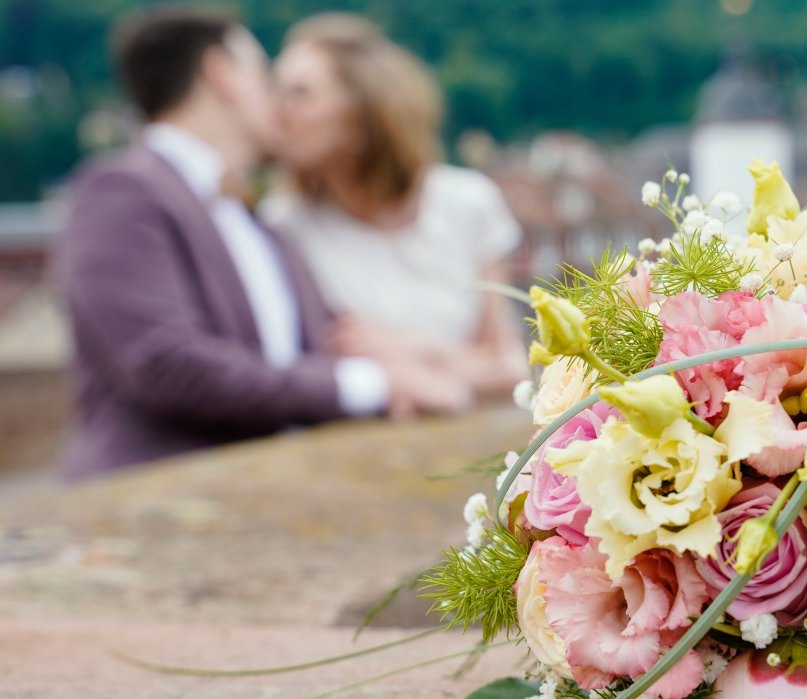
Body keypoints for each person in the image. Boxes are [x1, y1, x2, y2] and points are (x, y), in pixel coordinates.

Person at [55, 8, 456, 479]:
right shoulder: (121, 188)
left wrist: (412, 362)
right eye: (264, 77)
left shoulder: (262, 222)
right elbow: (164, 363)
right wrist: (369, 383)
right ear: (222, 74)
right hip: (151, 506)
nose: (277, 101)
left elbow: (324, 347)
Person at [266, 14, 528, 401]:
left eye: (300, 93)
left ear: (361, 114)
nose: (277, 112)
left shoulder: (469, 202)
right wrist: (457, 368)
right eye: (276, 91)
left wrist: (420, 351)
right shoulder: (284, 224)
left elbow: (512, 370)